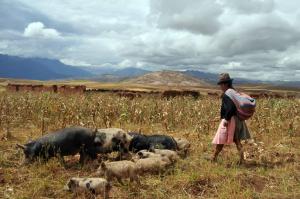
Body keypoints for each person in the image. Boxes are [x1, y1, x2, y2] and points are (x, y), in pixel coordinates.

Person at [211, 73, 251, 164]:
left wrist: (225, 119)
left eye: (221, 84)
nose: (220, 86)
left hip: (231, 120)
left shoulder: (227, 94)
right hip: (236, 119)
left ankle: (214, 158)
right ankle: (241, 160)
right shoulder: (233, 92)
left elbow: (231, 107)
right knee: (236, 140)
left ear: (225, 84)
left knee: (221, 138)